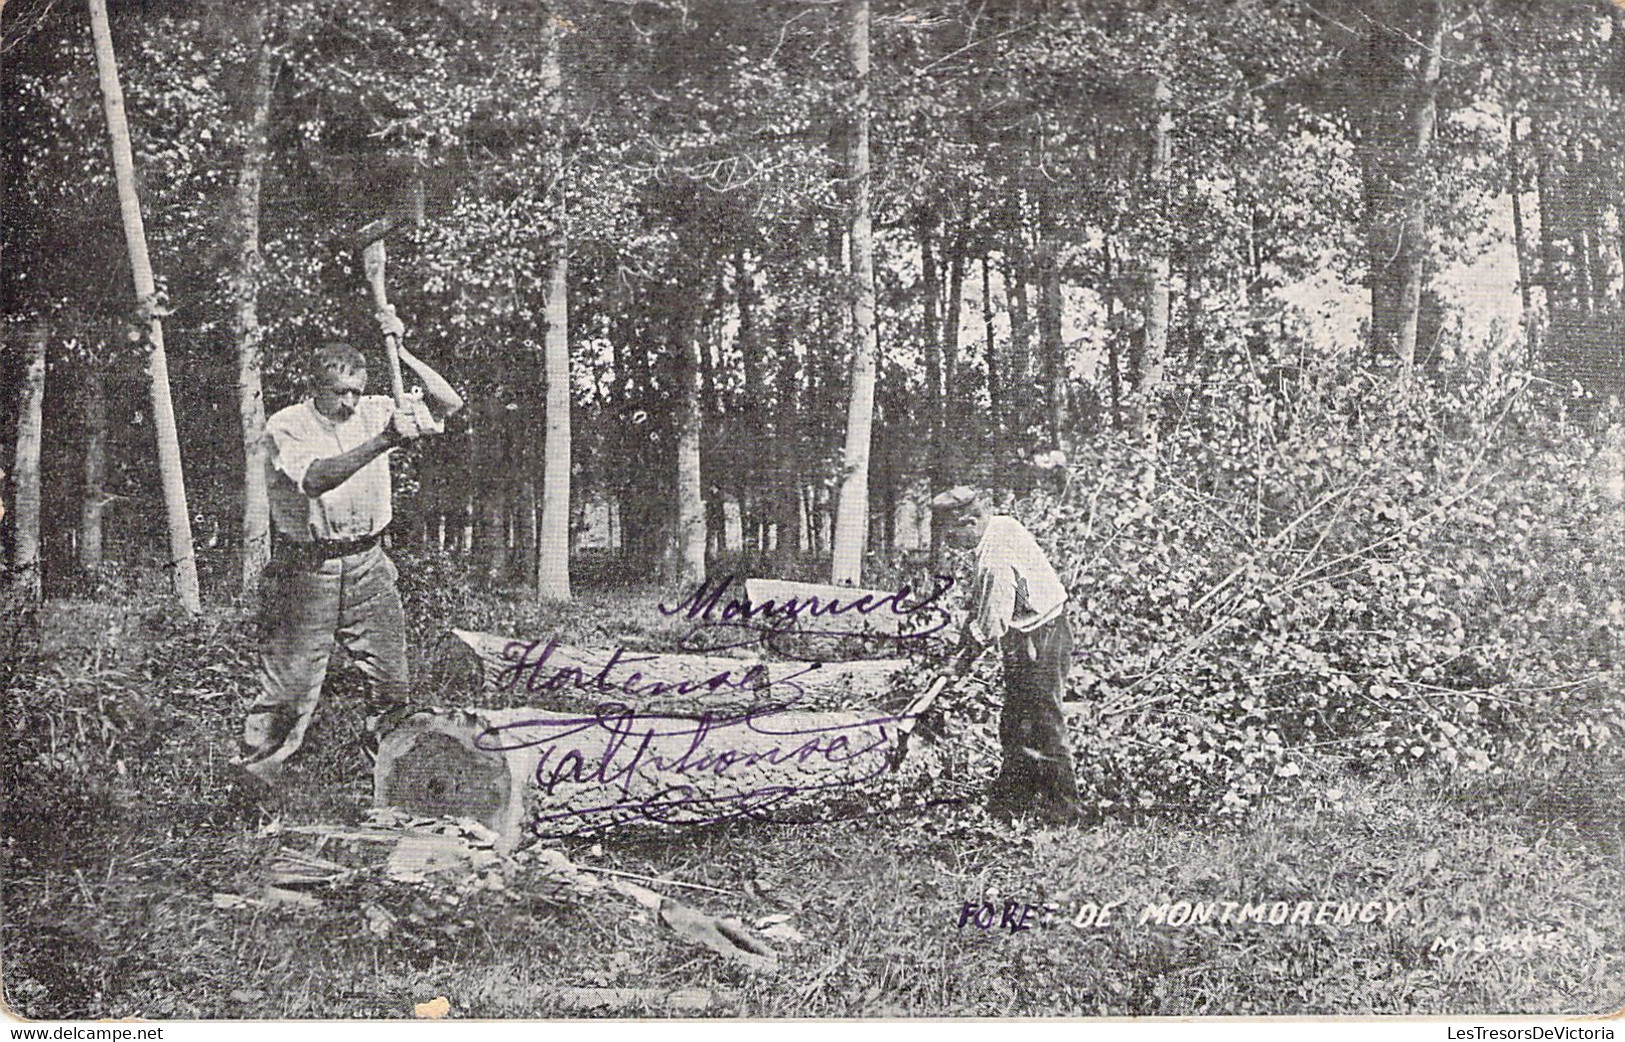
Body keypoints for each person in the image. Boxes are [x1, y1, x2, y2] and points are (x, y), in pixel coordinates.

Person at [236, 307, 463, 789]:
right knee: (290, 693)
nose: (351, 403)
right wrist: (384, 440)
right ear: (314, 387)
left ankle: (387, 787)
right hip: (307, 571)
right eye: (341, 392)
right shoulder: (287, 425)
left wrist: (402, 352)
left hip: (370, 565)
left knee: (391, 684)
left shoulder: (377, 408)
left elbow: (450, 403)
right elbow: (316, 479)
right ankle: (254, 794)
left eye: (357, 391)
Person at [932, 485, 1086, 824]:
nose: (948, 543)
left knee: (1044, 723)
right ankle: (1012, 800)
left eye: (951, 533)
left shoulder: (994, 560)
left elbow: (989, 625)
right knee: (1015, 722)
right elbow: (981, 609)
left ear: (970, 521)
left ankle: (1067, 811)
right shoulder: (1001, 525)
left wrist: (958, 665)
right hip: (1029, 633)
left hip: (1043, 638)